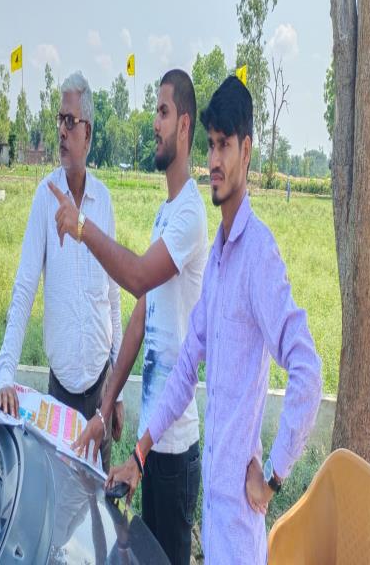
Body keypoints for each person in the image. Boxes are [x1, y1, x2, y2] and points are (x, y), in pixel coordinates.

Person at [106, 75, 323, 564]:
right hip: (214, 509)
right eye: (210, 145)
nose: (215, 161)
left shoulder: (258, 254)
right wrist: (139, 454)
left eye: (225, 145)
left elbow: (308, 371)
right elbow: (186, 368)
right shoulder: (219, 257)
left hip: (239, 525)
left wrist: (273, 477)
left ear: (247, 151)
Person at [50, 69, 208, 565]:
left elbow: (138, 278)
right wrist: (105, 408)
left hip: (175, 447)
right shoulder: (167, 212)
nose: (154, 123)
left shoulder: (190, 215)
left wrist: (81, 227)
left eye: (163, 112)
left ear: (184, 125)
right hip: (153, 441)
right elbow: (142, 313)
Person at [0, 71, 122, 472]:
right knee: (61, 501)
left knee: (99, 500)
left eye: (71, 121)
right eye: (59, 121)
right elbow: (24, 287)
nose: (62, 131)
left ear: (88, 132)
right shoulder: (45, 199)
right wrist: (4, 374)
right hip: (60, 398)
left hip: (101, 390)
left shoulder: (103, 203)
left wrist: (116, 391)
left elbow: (113, 297)